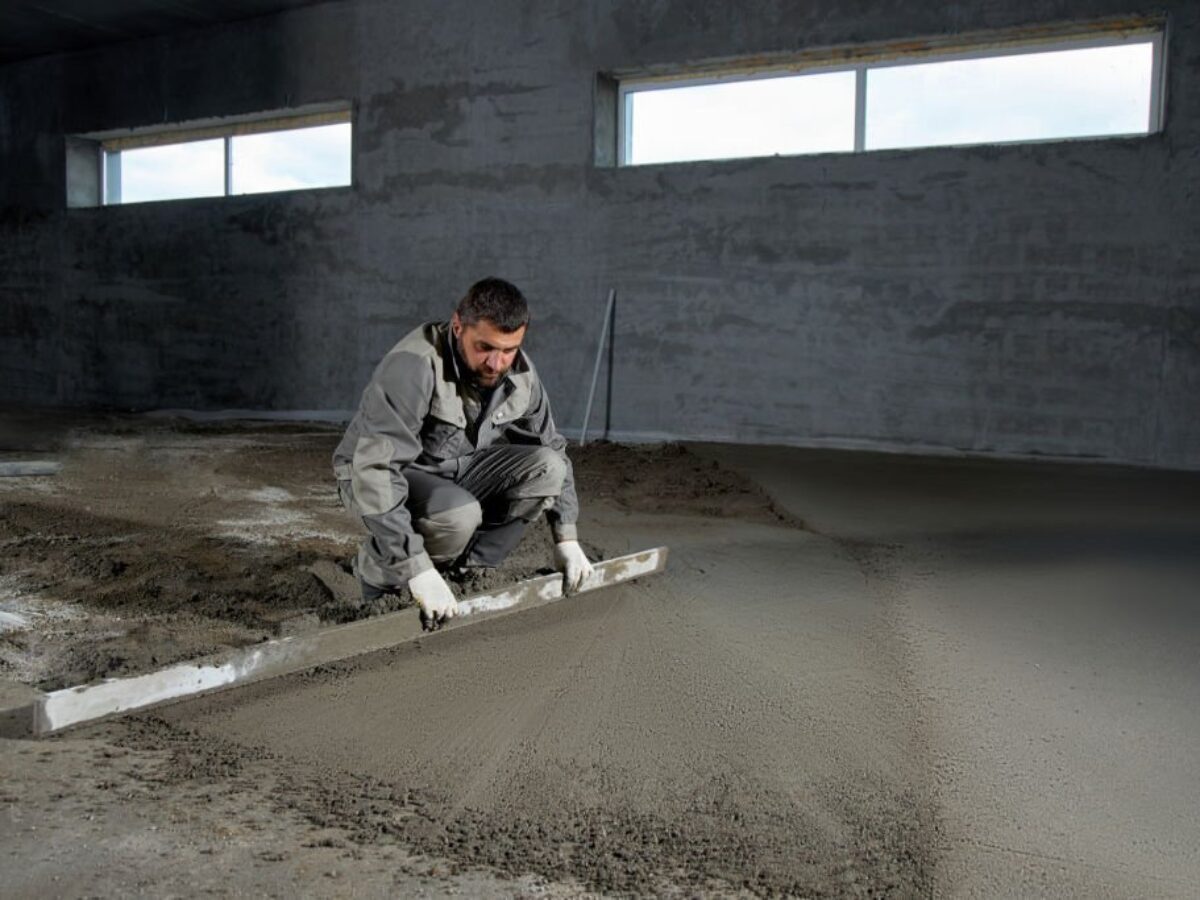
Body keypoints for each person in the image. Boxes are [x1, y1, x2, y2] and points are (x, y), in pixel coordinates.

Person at [333, 277, 593, 630]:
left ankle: (464, 573)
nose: (496, 363)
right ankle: (379, 577)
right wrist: (416, 567)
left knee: (548, 467)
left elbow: (551, 447)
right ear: (458, 326)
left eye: (509, 349)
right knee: (458, 515)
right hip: (375, 473)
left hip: (453, 469)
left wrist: (567, 536)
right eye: (484, 347)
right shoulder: (414, 367)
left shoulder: (519, 373)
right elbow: (376, 470)